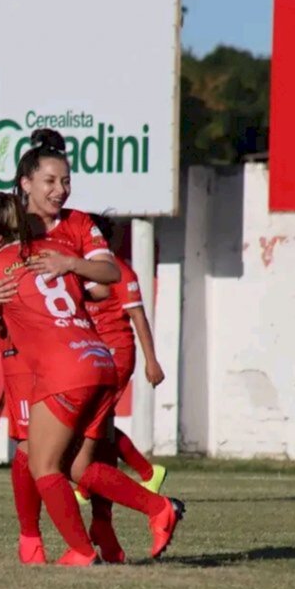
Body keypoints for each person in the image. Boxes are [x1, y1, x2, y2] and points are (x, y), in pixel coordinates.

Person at [0, 192, 184, 566]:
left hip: (63, 369)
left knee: (42, 464)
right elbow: (99, 288)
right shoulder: (53, 253)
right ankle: (157, 507)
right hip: (99, 360)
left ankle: (82, 551)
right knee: (78, 467)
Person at [0, 128, 121, 564]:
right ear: (26, 182)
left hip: (73, 350)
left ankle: (103, 529)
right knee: (31, 450)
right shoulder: (10, 223)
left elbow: (110, 280)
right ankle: (32, 538)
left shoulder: (78, 223)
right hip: (23, 354)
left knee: (84, 457)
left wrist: (72, 264)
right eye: (51, 181)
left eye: (66, 181)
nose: (60, 190)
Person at [77, 214, 168, 503]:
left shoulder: (120, 272)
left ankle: (88, 482)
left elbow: (138, 317)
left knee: (91, 420)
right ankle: (138, 474)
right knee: (99, 424)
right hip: (92, 356)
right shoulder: (79, 272)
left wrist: (151, 360)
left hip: (116, 354)